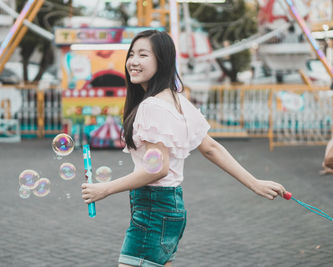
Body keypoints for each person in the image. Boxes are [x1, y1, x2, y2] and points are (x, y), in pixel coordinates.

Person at [81, 30, 287, 267]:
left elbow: (156, 169)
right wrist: (254, 183)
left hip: (153, 210)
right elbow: (210, 147)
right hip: (172, 209)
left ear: (162, 60)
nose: (133, 61)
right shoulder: (177, 100)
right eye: (132, 54)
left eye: (143, 55)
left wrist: (105, 189)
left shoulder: (151, 107)